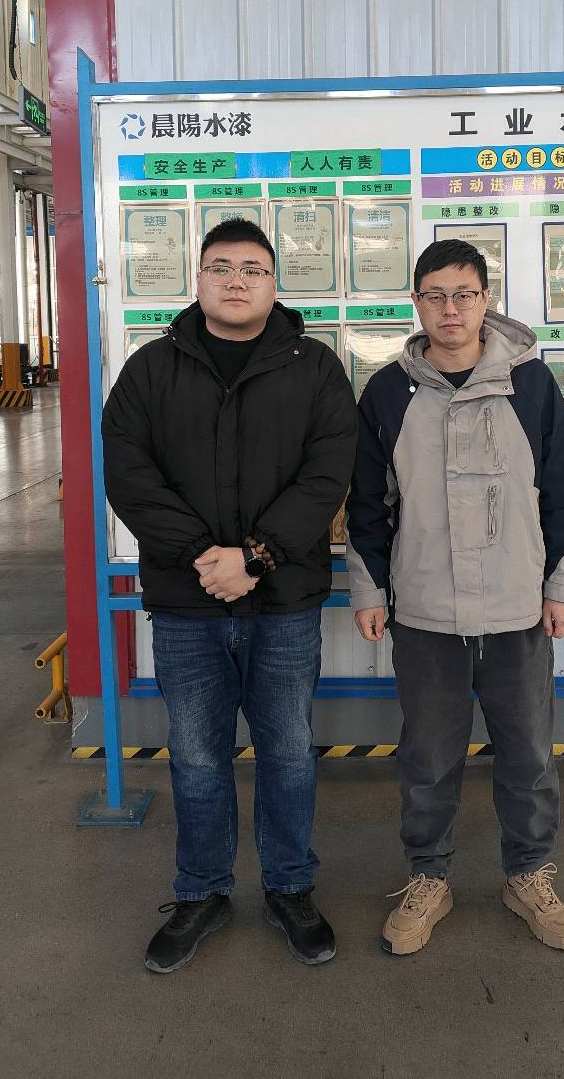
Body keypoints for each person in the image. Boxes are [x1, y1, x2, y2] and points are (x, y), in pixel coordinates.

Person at [102, 218, 357, 974]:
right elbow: (129, 474)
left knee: (288, 753)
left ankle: (290, 888)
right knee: (196, 756)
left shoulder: (315, 368)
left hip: (284, 603)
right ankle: (202, 892)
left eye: (252, 268)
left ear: (274, 284)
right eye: (221, 267)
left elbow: (326, 476)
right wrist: (203, 558)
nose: (236, 280)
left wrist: (255, 556)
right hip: (187, 606)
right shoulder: (151, 369)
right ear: (199, 279)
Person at [346, 238, 564, 956]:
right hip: (425, 613)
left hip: (518, 609)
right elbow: (367, 505)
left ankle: (528, 875)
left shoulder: (531, 384)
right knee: (427, 758)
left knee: (529, 756)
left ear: (486, 300)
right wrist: (369, 589)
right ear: (416, 303)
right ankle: (429, 878)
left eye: (464, 294)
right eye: (435, 296)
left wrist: (562, 587)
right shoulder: (387, 394)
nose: (450, 309)